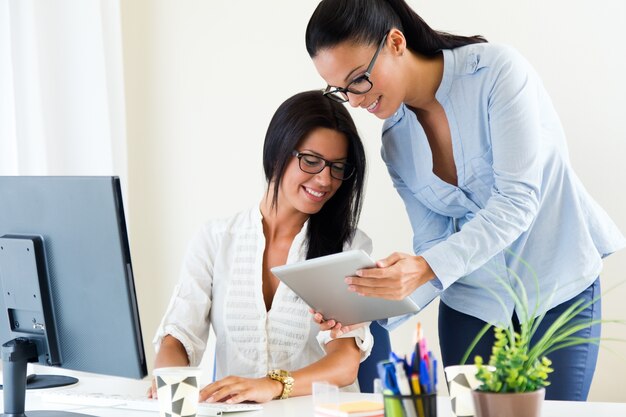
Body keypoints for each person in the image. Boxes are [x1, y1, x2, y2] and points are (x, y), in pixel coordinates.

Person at [304, 0, 626, 401]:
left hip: (557, 285)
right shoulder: (396, 142)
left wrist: (424, 267)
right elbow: (433, 245)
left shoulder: (496, 73)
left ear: (396, 42)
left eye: (359, 80)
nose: (354, 100)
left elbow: (517, 201)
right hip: (473, 304)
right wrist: (366, 308)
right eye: (341, 90)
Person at [149, 90, 373, 403]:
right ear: (277, 153)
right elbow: (177, 338)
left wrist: (274, 385)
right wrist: (172, 389)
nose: (325, 180)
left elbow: (344, 364)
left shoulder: (348, 247)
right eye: (311, 161)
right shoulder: (216, 239)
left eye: (337, 167)